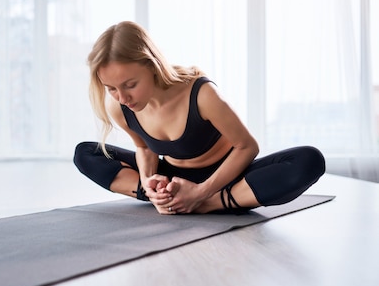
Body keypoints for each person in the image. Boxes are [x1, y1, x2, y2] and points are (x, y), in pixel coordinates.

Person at [73, 21, 325, 215]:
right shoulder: (120, 107)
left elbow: (247, 147)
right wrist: (150, 182)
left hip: (226, 177)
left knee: (308, 160)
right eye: (111, 88)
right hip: (172, 176)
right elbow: (143, 147)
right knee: (85, 153)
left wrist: (202, 192)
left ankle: (209, 204)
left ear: (152, 66)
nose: (122, 97)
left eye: (130, 84)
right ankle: (164, 199)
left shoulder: (201, 94)